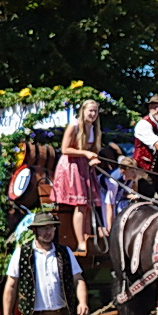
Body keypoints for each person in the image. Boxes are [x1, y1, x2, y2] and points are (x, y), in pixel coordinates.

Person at [51, 99, 105, 252]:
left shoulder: (93, 128)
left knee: (88, 205)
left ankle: (87, 237)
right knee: (81, 204)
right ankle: (81, 242)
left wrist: (93, 157)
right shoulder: (74, 126)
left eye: (95, 111)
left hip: (85, 165)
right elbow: (65, 149)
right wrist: (85, 153)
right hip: (71, 166)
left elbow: (91, 150)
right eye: (90, 111)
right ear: (83, 111)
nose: (93, 114)